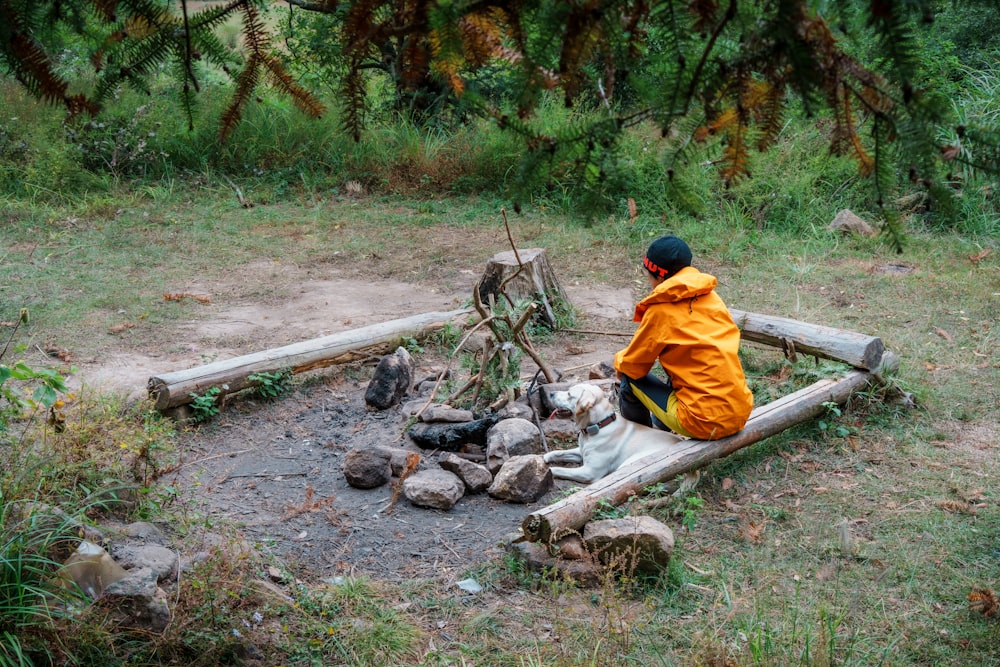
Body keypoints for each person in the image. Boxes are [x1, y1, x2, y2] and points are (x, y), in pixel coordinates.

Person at [613, 234, 753, 440]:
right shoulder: (711, 298)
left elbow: (633, 366)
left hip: (702, 422)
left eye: (648, 276)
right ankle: (661, 428)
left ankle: (640, 443)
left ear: (659, 277)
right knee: (682, 363)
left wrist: (618, 360)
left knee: (628, 378)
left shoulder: (661, 311)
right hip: (739, 412)